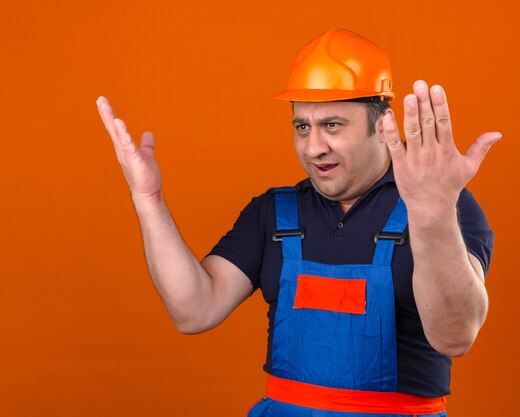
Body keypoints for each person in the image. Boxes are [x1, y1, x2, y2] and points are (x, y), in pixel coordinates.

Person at [97, 28, 499, 417]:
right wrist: (148, 199)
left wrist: (432, 215)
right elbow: (194, 310)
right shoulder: (274, 212)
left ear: (383, 123)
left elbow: (455, 335)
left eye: (332, 125)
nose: (313, 147)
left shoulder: (448, 208)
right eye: (302, 126)